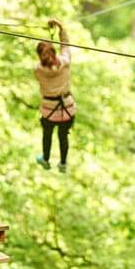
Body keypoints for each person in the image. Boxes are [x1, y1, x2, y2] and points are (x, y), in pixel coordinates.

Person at [34, 19, 76, 173]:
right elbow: (65, 45)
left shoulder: (37, 69)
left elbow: (44, 62)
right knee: (63, 136)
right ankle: (63, 164)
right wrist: (60, 27)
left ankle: (45, 159)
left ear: (40, 56)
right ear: (54, 52)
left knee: (47, 135)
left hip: (49, 111)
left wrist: (46, 47)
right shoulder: (65, 62)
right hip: (67, 109)